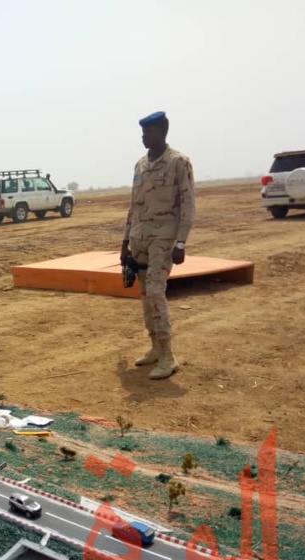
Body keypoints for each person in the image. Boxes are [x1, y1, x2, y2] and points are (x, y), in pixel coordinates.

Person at [120, 111, 195, 380]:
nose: (143, 137)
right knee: (143, 295)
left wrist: (182, 242)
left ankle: (168, 356)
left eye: (148, 132)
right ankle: (154, 347)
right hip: (140, 238)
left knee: (155, 292)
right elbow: (133, 205)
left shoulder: (178, 162)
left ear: (162, 132)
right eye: (142, 132)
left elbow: (187, 204)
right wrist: (125, 243)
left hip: (164, 238)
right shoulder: (140, 165)